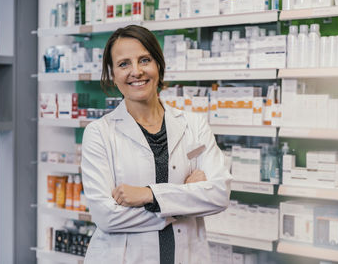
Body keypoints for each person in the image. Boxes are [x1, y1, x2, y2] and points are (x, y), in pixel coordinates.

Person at [81, 25, 232, 264]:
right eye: (124, 64)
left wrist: (148, 195)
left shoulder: (194, 125)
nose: (136, 71)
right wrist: (185, 201)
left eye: (145, 60)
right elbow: (106, 216)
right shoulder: (99, 133)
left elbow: (219, 194)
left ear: (159, 65)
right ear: (112, 74)